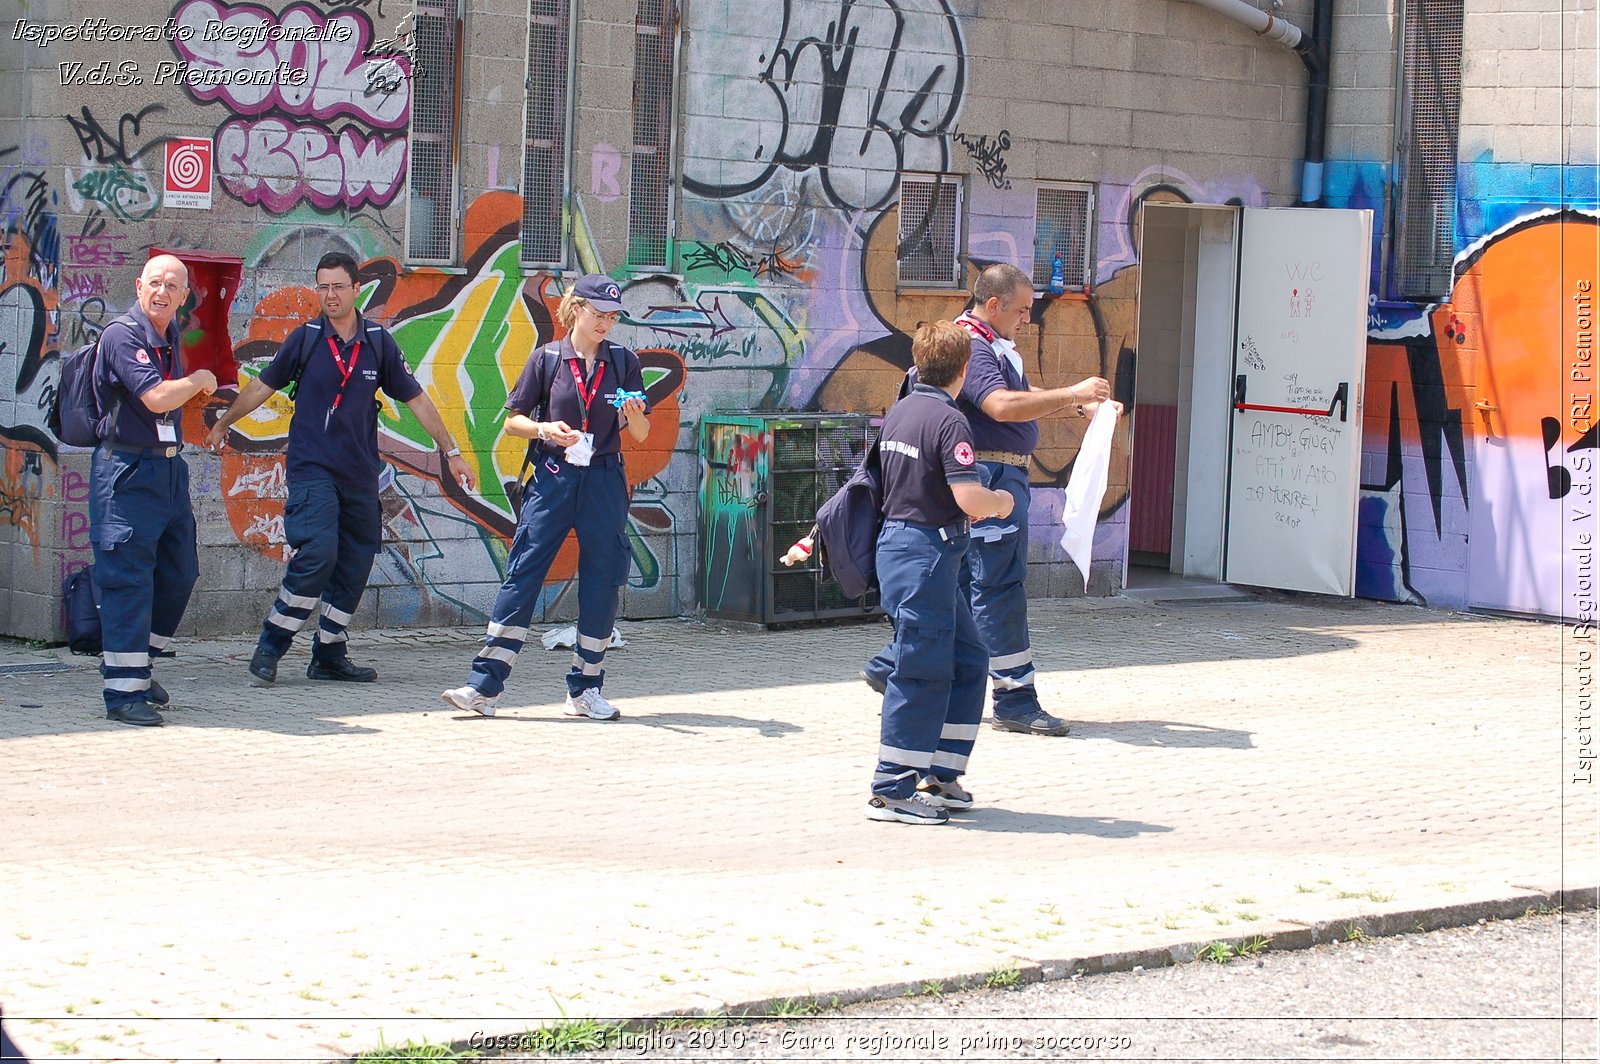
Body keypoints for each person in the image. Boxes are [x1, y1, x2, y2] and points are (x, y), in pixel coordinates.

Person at [864, 263, 1115, 736]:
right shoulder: (975, 345)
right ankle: (1015, 699)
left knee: (959, 584)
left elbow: (1014, 393)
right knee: (997, 588)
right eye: (1021, 310)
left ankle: (895, 663)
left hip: (990, 474)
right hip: (990, 475)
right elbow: (1000, 404)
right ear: (994, 304)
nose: (1028, 319)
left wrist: (1077, 405)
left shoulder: (986, 344)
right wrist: (1074, 392)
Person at [206, 252, 476, 685]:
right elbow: (260, 385)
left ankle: (329, 652)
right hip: (313, 469)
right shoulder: (306, 339)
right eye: (323, 286)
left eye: (338, 286)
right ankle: (273, 641)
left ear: (355, 290)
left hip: (359, 474)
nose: (329, 295)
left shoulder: (378, 343)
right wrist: (224, 423)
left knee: (354, 561)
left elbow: (417, 400)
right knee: (318, 553)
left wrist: (452, 451)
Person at [440, 274, 650, 720]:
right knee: (524, 572)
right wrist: (544, 429)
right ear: (576, 309)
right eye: (598, 315)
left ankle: (585, 690)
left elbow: (641, 432)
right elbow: (513, 421)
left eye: (612, 318)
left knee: (603, 578)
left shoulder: (624, 361)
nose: (605, 325)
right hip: (554, 477)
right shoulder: (547, 358)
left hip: (604, 479)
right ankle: (483, 688)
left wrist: (633, 416)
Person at [868, 320, 1016, 824]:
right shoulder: (949, 421)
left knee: (971, 657)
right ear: (962, 369)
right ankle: (892, 789)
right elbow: (969, 497)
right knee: (923, 668)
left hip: (912, 550)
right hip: (927, 553)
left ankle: (940, 772)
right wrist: (1001, 501)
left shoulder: (903, 410)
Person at [91, 254, 218, 726]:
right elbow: (156, 397)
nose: (162, 293)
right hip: (125, 471)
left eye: (172, 286)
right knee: (129, 578)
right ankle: (123, 694)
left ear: (184, 297)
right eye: (155, 284)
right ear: (139, 286)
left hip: (167, 471)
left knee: (179, 572)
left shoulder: (167, 337)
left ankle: (136, 666)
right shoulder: (124, 335)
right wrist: (200, 379)